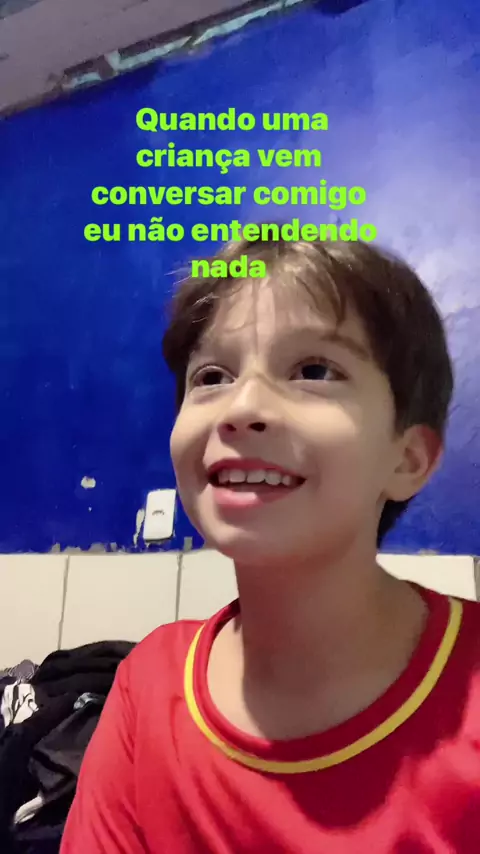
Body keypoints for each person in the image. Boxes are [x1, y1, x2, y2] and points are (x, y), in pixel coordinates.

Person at [60, 235, 480, 854]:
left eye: (314, 371)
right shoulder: (147, 687)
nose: (242, 406)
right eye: (212, 376)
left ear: (408, 459)